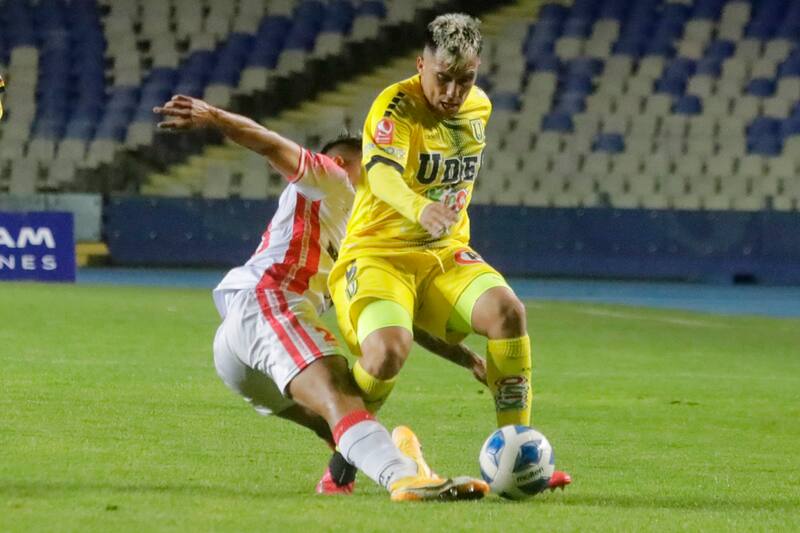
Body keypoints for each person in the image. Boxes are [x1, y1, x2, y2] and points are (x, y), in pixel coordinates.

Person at [154, 95, 490, 501]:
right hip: (268, 303)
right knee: (338, 387)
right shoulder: (332, 177)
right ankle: (404, 477)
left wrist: (467, 357)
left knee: (343, 406)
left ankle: (347, 476)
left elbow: (398, 317)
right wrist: (213, 116)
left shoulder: (371, 229)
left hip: (239, 350)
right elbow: (270, 143)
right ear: (351, 163)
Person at [327, 14, 570, 488]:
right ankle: (340, 467)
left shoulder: (479, 108)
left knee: (508, 313)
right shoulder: (395, 106)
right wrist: (419, 209)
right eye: (443, 78)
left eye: (466, 79)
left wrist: (435, 222)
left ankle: (519, 459)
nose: (454, 92)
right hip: (378, 255)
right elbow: (378, 173)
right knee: (388, 352)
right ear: (421, 65)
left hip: (443, 252)